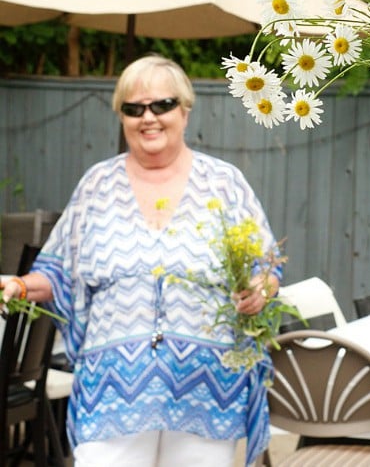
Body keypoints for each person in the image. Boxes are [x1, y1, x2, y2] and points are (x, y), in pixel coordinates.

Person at [1, 54, 282, 467]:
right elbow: (58, 271)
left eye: (161, 105)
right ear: (122, 117)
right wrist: (19, 286)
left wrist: (261, 289)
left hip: (206, 388)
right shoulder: (98, 185)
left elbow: (267, 266)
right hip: (113, 388)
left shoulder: (223, 183)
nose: (147, 117)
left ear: (185, 110)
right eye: (133, 109)